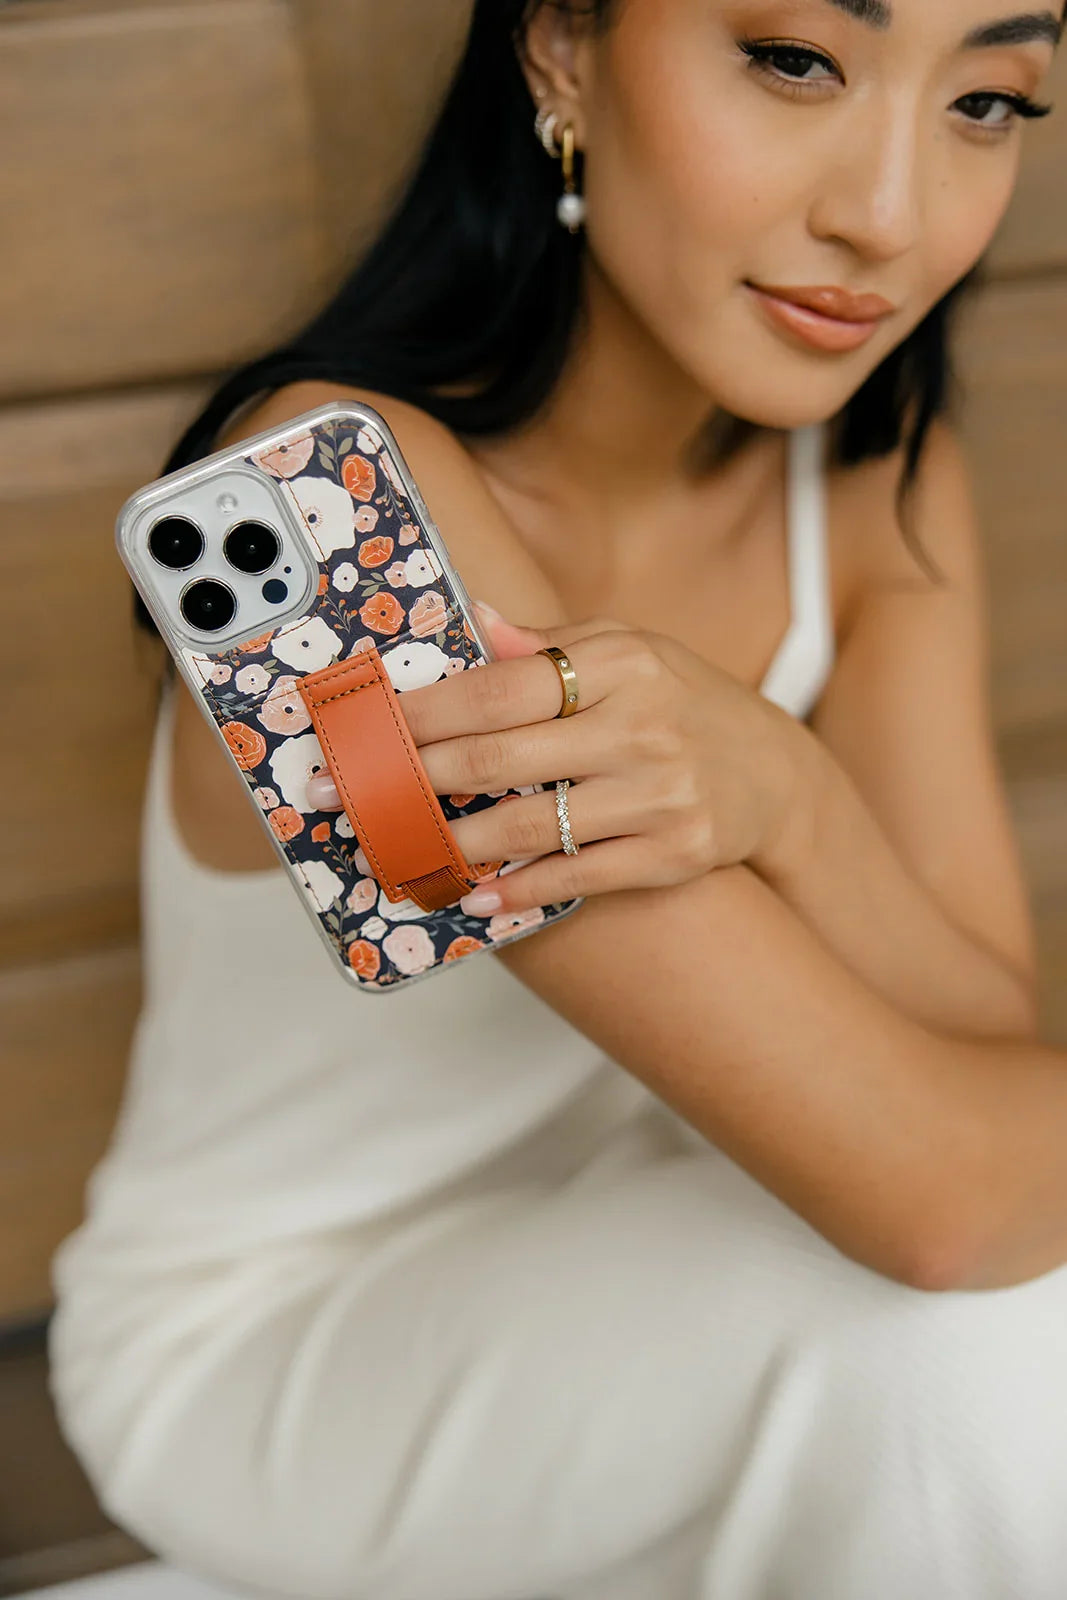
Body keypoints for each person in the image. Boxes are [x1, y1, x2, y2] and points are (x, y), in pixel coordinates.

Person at [47, 1, 1067, 1596]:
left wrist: (793, 794)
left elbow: (984, 1041)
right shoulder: (318, 520)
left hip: (654, 1244)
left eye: (990, 101)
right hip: (277, 1350)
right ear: (562, 46)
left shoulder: (876, 482)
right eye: (796, 59)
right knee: (963, 1351)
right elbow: (949, 1199)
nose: (890, 212)